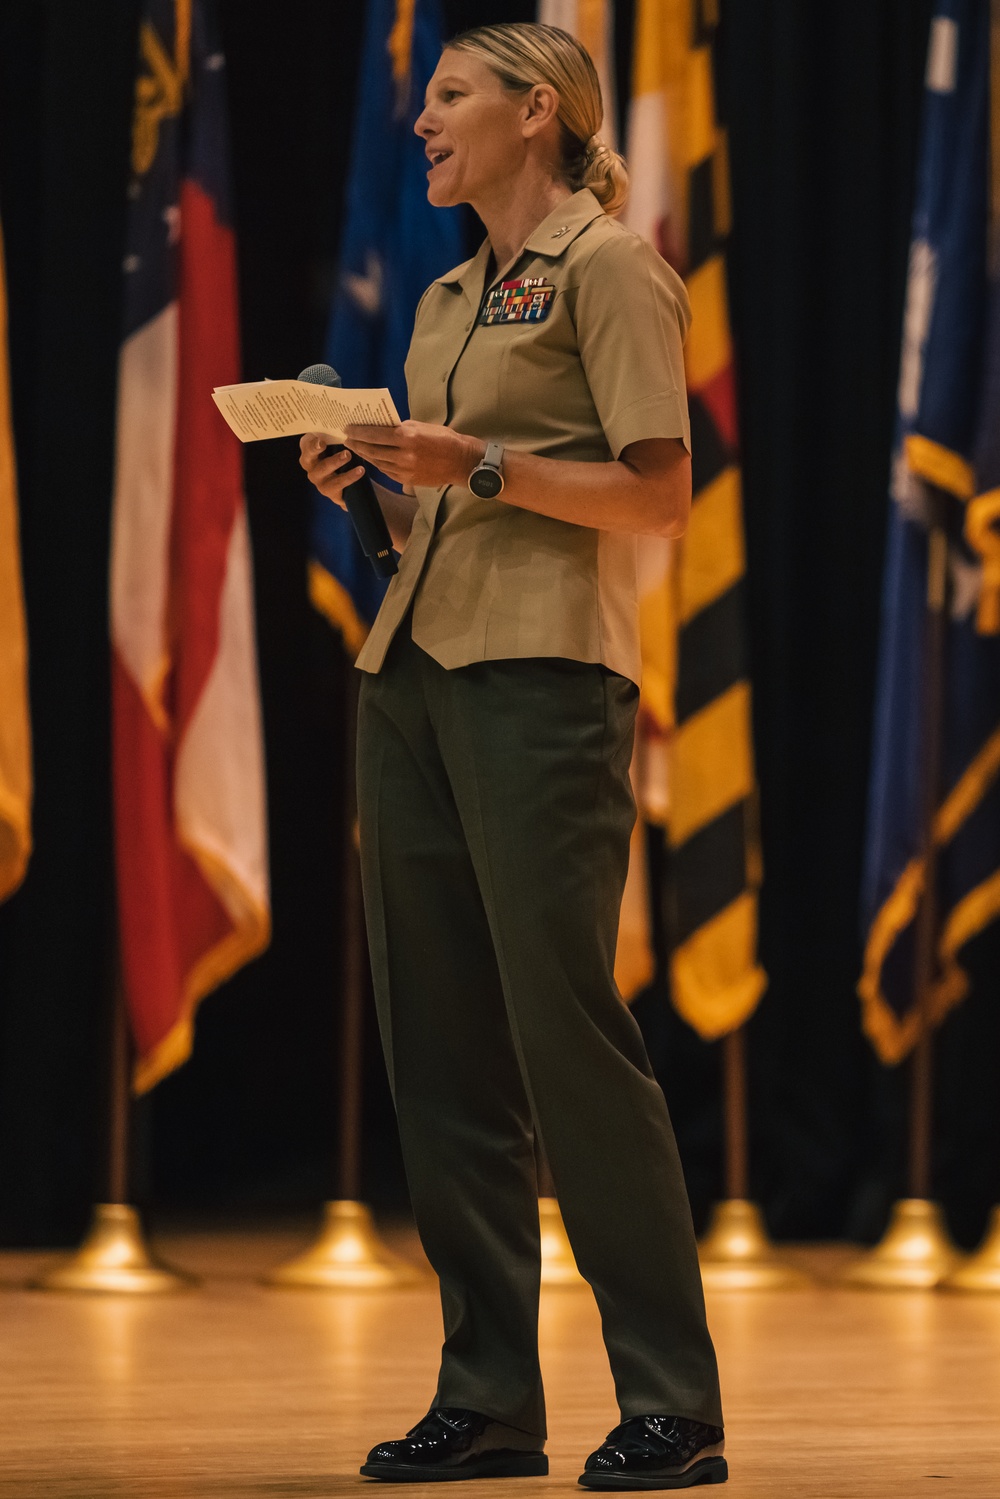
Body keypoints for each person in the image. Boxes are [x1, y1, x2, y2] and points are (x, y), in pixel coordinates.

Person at [300, 22, 725, 1492]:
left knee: (567, 1042)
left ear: (536, 112)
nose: (422, 122)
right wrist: (373, 486)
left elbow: (659, 497)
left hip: (545, 683)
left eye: (450, 97)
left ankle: (671, 1398)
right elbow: (443, 530)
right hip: (413, 677)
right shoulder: (443, 294)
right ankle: (488, 1397)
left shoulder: (609, 266)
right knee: (442, 1055)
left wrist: (471, 461)